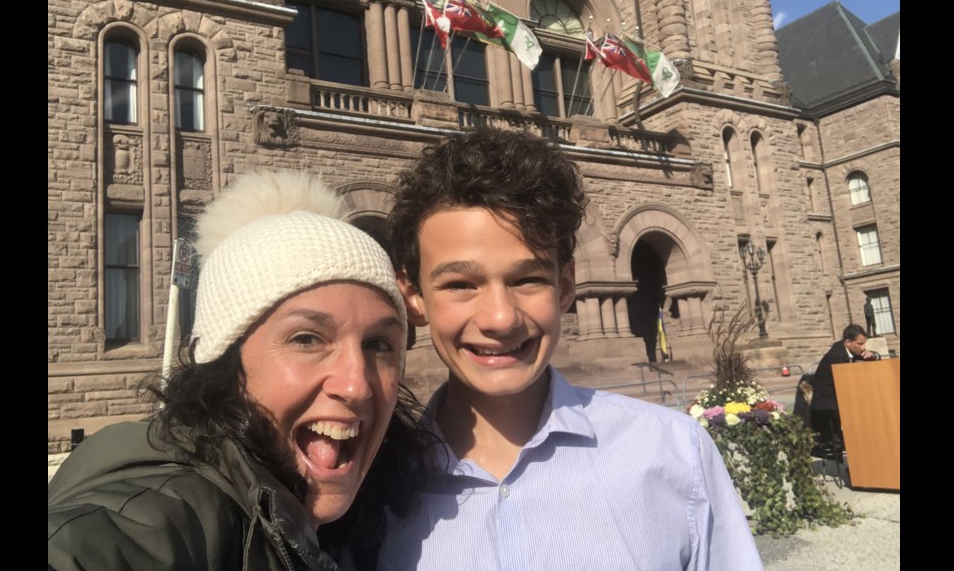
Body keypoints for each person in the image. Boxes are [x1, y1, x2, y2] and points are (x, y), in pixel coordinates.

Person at [377, 128, 763, 570]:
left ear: (564, 287)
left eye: (527, 280)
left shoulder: (674, 452)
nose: (500, 318)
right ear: (414, 298)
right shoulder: (372, 492)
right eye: (460, 284)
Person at [48, 171, 431, 571]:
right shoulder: (168, 513)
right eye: (306, 339)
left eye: (378, 344)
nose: (357, 385)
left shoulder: (382, 512)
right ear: (225, 360)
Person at [810, 323, 881, 442]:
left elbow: (870, 356)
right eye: (860, 343)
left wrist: (873, 355)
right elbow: (848, 383)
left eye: (864, 343)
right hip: (827, 406)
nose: (863, 347)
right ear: (848, 342)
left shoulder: (848, 350)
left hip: (839, 399)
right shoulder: (837, 355)